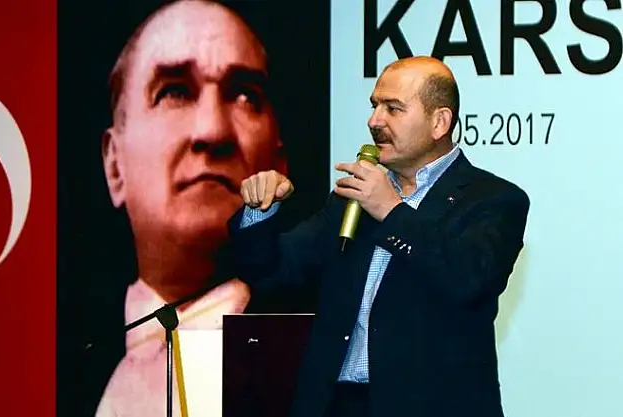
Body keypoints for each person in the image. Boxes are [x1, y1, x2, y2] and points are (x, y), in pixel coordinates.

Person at [223, 56, 530, 417]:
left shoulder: (493, 199)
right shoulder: (351, 200)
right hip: (337, 406)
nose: (374, 121)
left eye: (393, 109)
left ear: (439, 122)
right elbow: (271, 272)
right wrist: (260, 211)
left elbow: (469, 278)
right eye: (374, 106)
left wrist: (391, 211)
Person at [95, 0, 289, 416]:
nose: (212, 131)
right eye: (175, 92)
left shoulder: (325, 357)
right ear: (114, 166)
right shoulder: (57, 360)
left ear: (279, 164)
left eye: (245, 96)